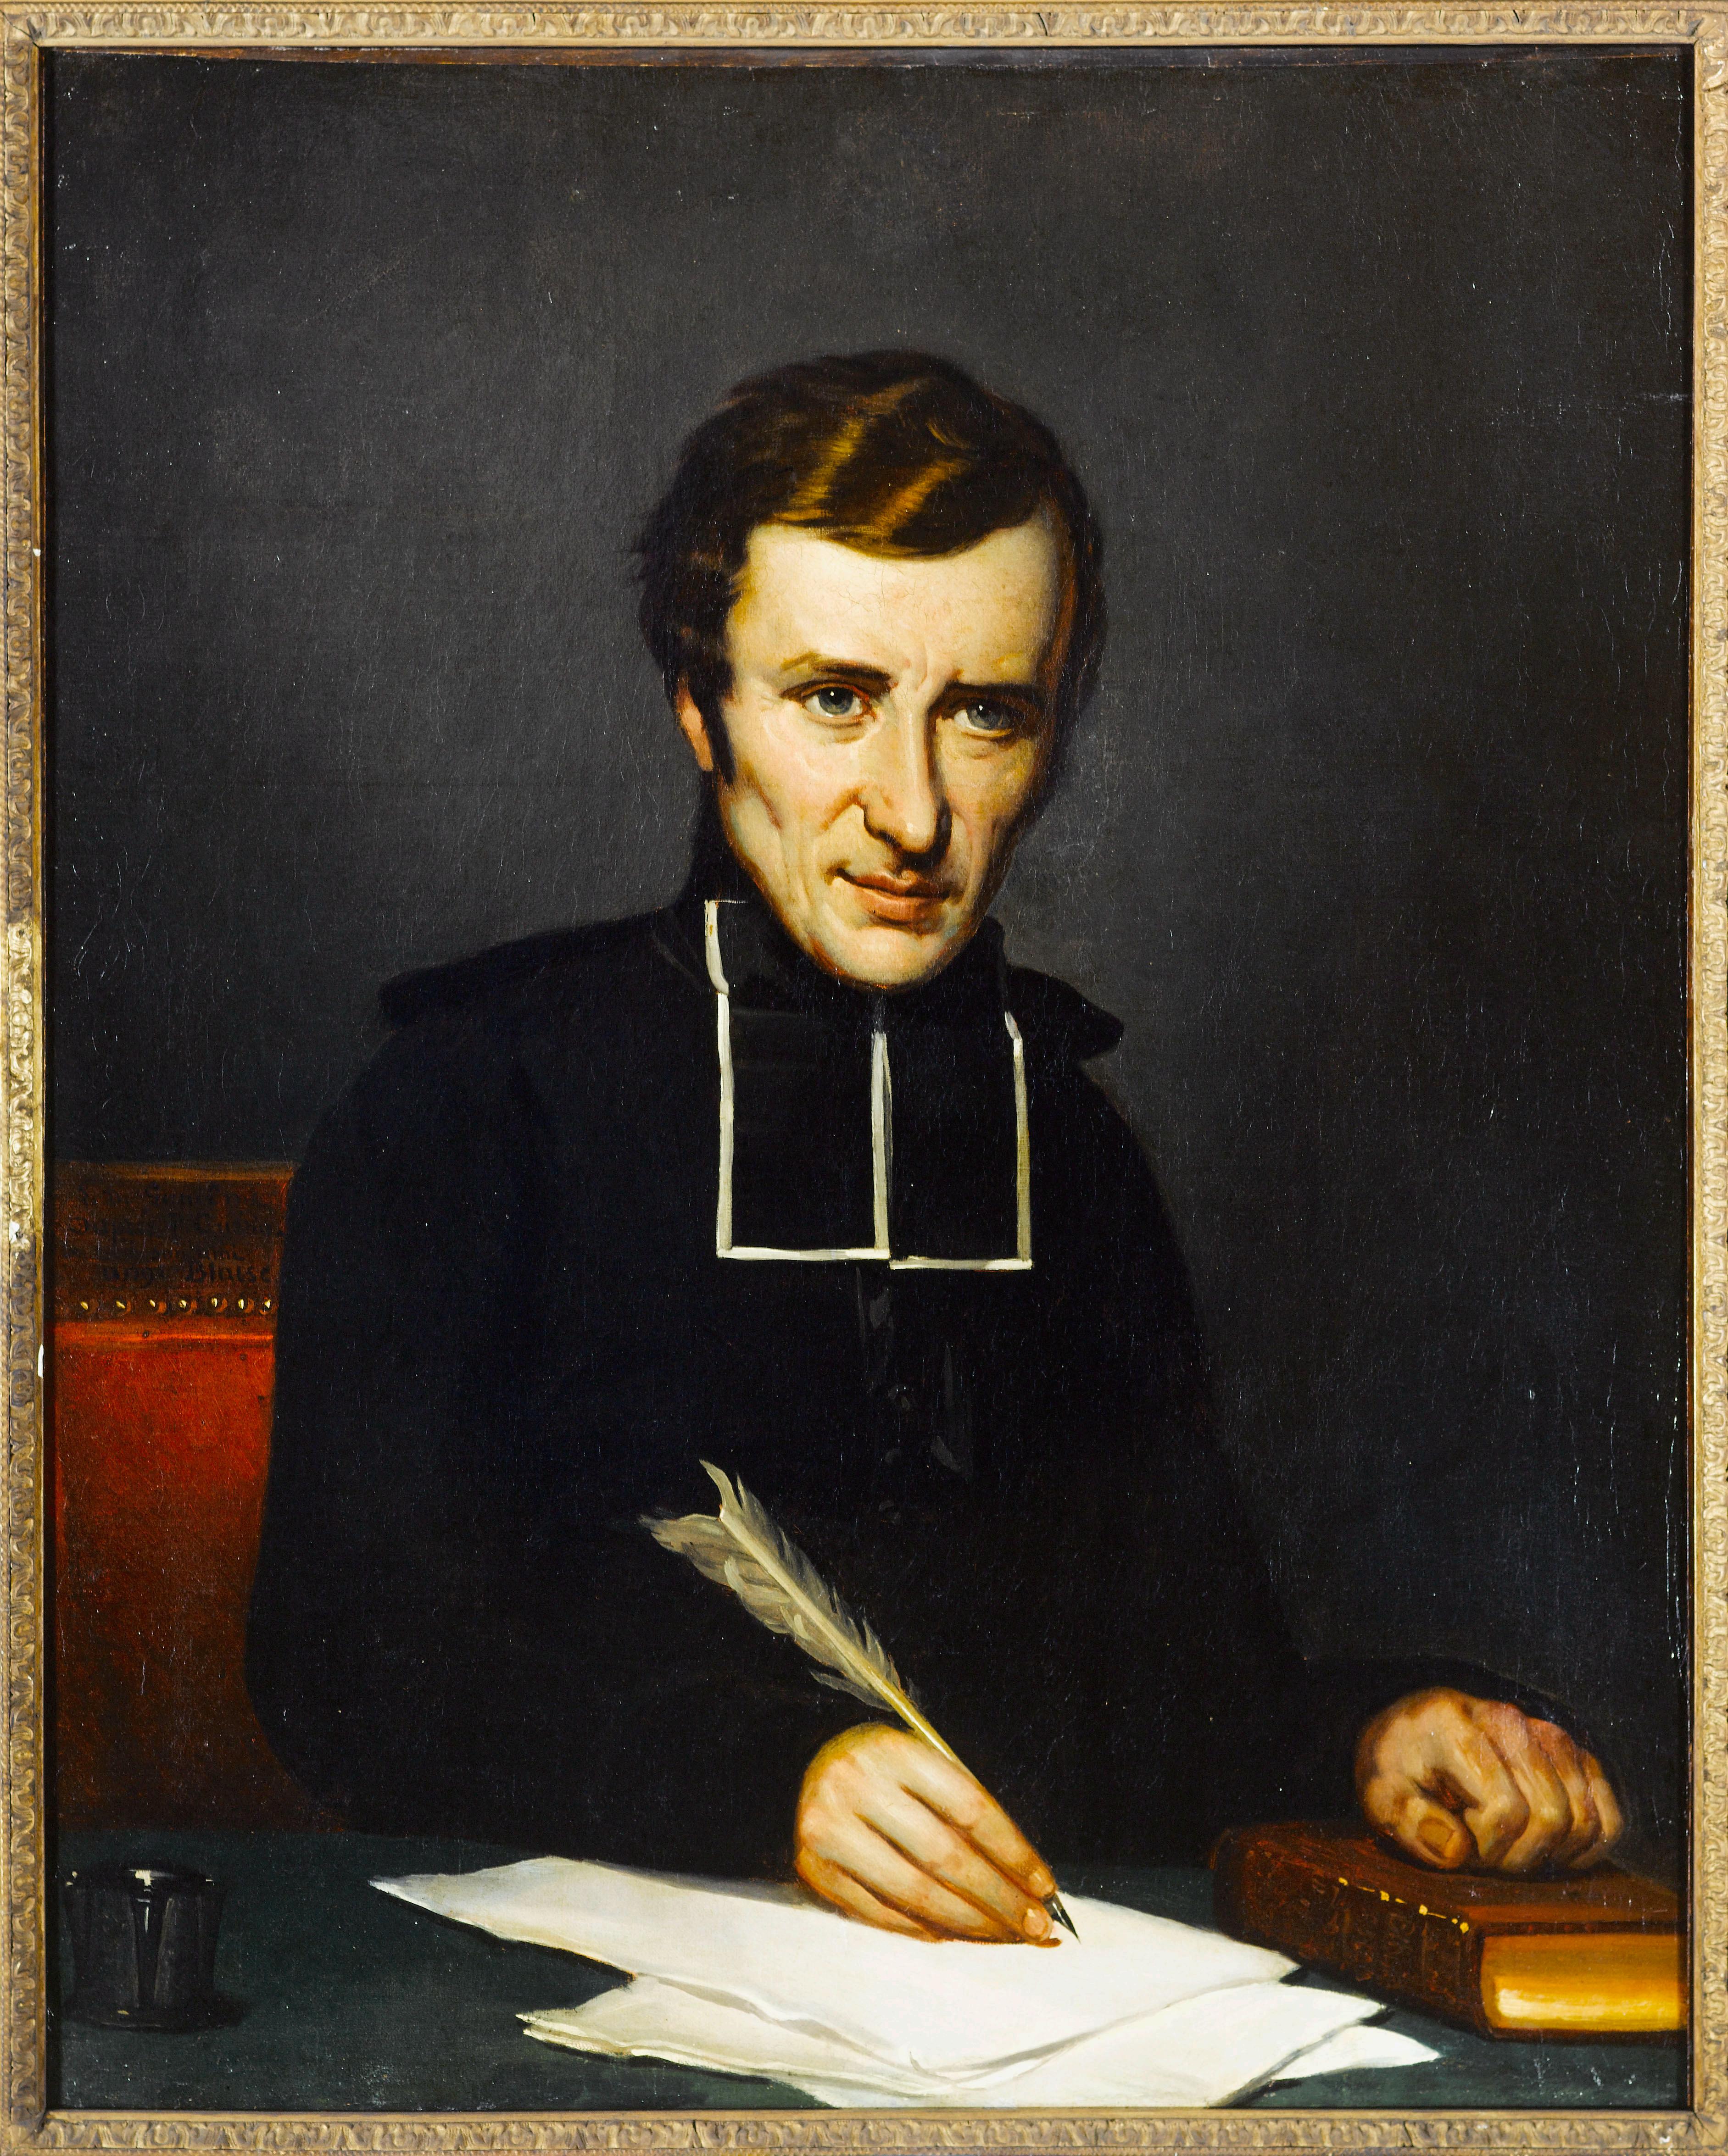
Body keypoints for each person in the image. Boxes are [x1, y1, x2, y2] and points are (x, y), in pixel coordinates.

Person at [246, 351, 1622, 1946]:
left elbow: (1183, 1704)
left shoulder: (1069, 1140)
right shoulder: (466, 1104)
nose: (911, 813)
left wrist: (1380, 1733)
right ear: (702, 707)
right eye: (836, 699)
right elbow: (349, 1669)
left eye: (984, 715)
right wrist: (771, 1778)